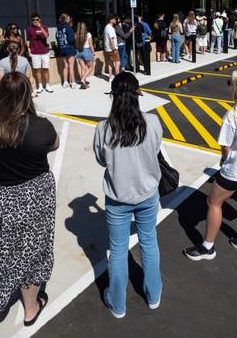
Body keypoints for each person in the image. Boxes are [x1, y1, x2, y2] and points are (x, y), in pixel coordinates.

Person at [0, 72, 59, 329]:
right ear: (27, 93)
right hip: (36, 198)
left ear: (1, 95)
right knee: (34, 252)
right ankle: (31, 308)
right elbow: (54, 145)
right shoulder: (42, 127)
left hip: (2, 198)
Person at [94, 72, 163, 318]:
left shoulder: (103, 129)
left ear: (113, 97)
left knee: (118, 250)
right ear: (137, 95)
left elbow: (102, 160)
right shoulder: (153, 122)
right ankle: (153, 294)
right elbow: (155, 151)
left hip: (117, 198)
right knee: (148, 242)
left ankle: (118, 303)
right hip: (147, 194)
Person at [184, 70, 237, 261]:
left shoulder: (232, 115)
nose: (228, 84)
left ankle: (207, 247)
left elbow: (225, 147)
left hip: (235, 169)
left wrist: (224, 161)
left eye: (230, 82)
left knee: (213, 202)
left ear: (235, 87)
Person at [26, 13, 52, 94]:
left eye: (37, 19)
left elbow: (46, 36)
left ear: (39, 20)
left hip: (44, 51)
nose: (35, 21)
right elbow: (28, 40)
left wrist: (40, 27)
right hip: (35, 52)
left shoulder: (44, 27)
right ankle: (40, 86)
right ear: (31, 21)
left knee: (46, 69)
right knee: (37, 70)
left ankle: (47, 85)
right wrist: (28, 49)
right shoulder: (29, 29)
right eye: (33, 20)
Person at [56, 13, 77, 88]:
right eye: (68, 18)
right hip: (69, 48)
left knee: (65, 66)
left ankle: (65, 82)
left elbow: (57, 38)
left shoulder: (58, 28)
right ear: (66, 19)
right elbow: (71, 39)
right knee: (71, 66)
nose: (69, 19)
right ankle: (73, 83)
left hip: (62, 48)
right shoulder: (68, 27)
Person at [74, 22, 95, 89]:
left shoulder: (76, 35)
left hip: (79, 52)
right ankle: (83, 79)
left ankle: (83, 83)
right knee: (91, 67)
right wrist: (93, 53)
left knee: (83, 68)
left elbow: (75, 44)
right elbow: (91, 45)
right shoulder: (88, 34)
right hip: (86, 51)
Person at [103, 14, 121, 81]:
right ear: (111, 20)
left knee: (110, 63)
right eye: (114, 19)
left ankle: (110, 77)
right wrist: (114, 49)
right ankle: (118, 78)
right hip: (112, 49)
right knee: (117, 63)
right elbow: (112, 39)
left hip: (107, 49)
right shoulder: (110, 28)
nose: (115, 20)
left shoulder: (106, 27)